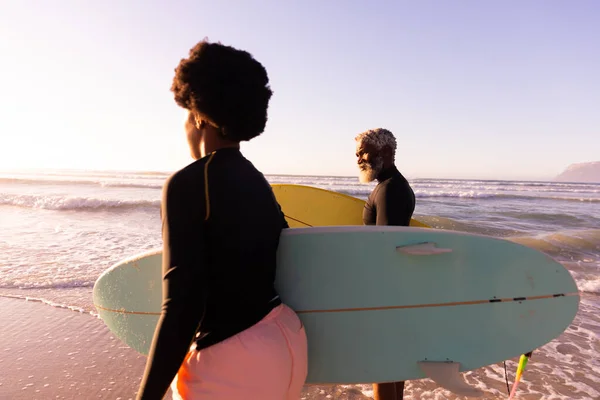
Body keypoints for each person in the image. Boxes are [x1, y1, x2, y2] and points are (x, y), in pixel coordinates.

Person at [136, 39, 308, 400]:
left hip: (233, 358)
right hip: (284, 341)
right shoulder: (257, 181)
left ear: (199, 115)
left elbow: (180, 307)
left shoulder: (189, 182)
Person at [355, 128, 416, 400]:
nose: (359, 158)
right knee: (392, 364)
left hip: (386, 293)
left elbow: (387, 249)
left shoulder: (390, 190)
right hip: (397, 290)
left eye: (364, 152)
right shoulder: (391, 186)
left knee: (381, 365)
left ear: (387, 152)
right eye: (357, 153)